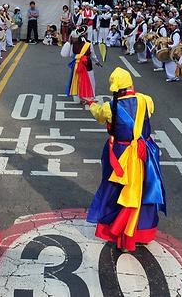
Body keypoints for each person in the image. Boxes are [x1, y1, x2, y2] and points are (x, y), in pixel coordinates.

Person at [87, 68, 166, 252]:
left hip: (120, 153)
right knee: (144, 190)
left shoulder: (110, 107)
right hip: (143, 151)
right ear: (131, 84)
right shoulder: (146, 100)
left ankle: (118, 230)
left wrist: (91, 104)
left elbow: (99, 115)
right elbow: (149, 113)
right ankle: (142, 232)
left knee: (116, 190)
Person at [61, 26, 99, 104]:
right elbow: (93, 55)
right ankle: (90, 97)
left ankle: (78, 97)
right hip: (87, 64)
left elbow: (70, 54)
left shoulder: (73, 45)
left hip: (77, 65)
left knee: (77, 80)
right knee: (90, 81)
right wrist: (96, 62)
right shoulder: (88, 44)